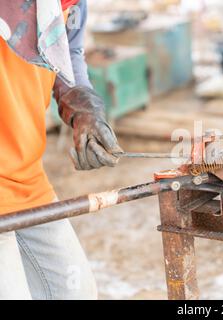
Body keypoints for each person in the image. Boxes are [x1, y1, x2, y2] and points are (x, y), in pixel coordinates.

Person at [0, 0, 122, 299]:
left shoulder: (73, 4)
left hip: (26, 178)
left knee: (76, 293)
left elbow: (69, 51)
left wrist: (81, 104)